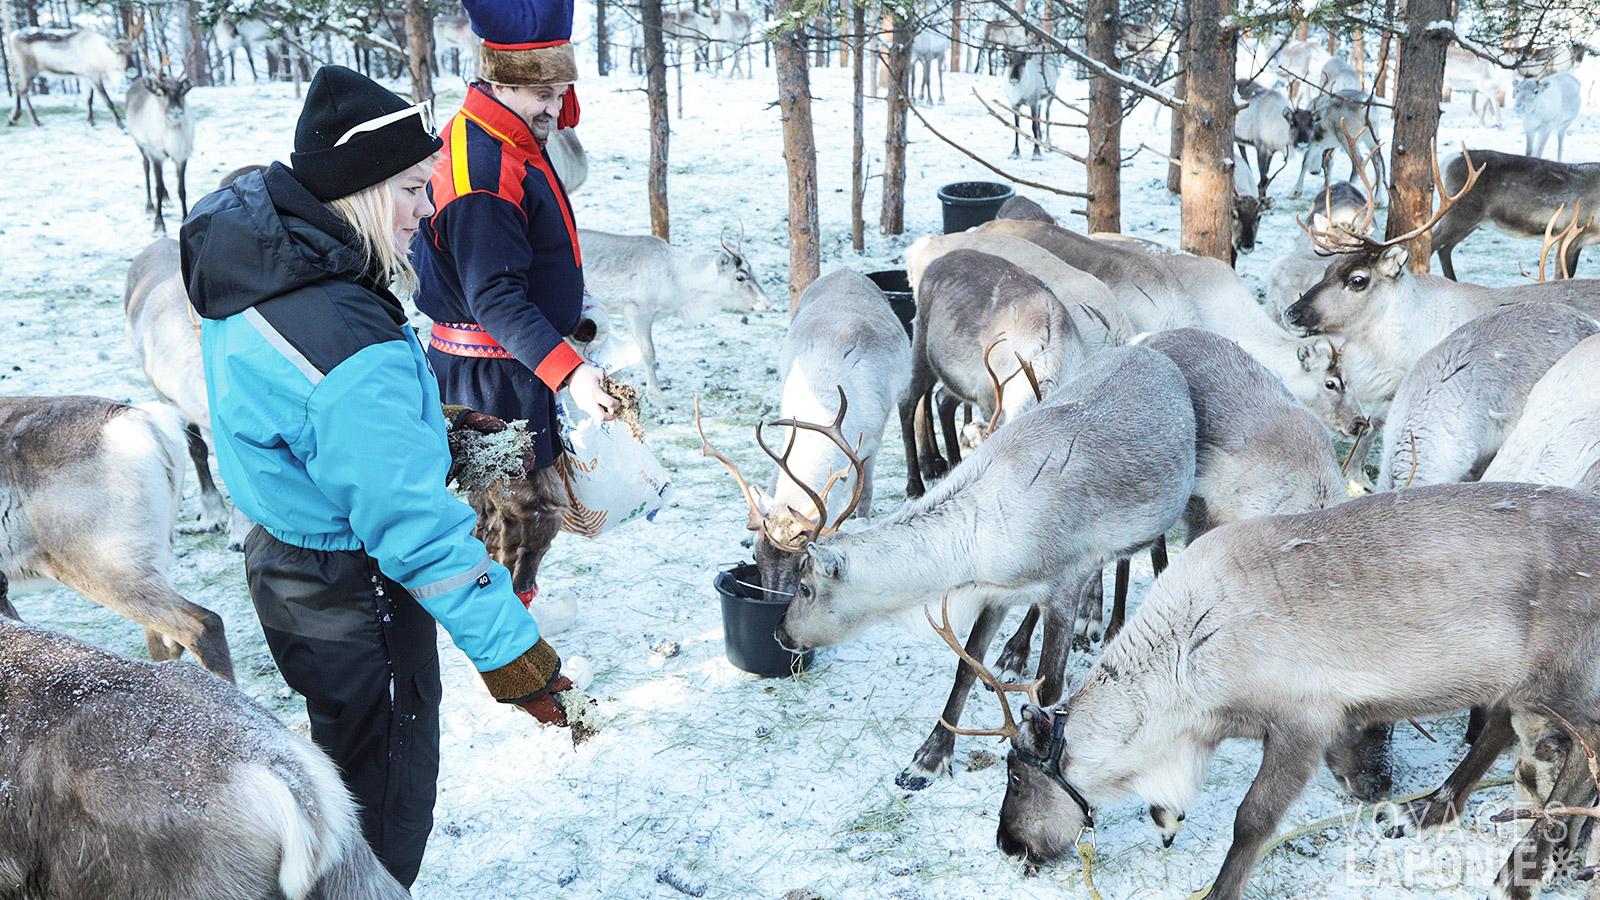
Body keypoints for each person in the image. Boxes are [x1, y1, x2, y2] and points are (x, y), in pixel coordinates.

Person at [179, 65, 574, 887]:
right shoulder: (344, 338)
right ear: (357, 190)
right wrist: (523, 666)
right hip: (355, 597)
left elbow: (307, 420)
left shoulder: (267, 263)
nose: (428, 211)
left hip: (288, 560)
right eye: (410, 190)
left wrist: (440, 433)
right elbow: (421, 537)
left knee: (342, 769)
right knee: (380, 810)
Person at [413, 0, 617, 614]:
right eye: (544, 94)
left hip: (514, 366)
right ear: (499, 80)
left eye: (561, 91)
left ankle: (513, 611)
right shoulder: (481, 167)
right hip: (489, 384)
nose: (557, 108)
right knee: (514, 516)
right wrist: (572, 371)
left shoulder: (506, 133)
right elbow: (494, 296)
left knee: (530, 513)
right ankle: (502, 635)